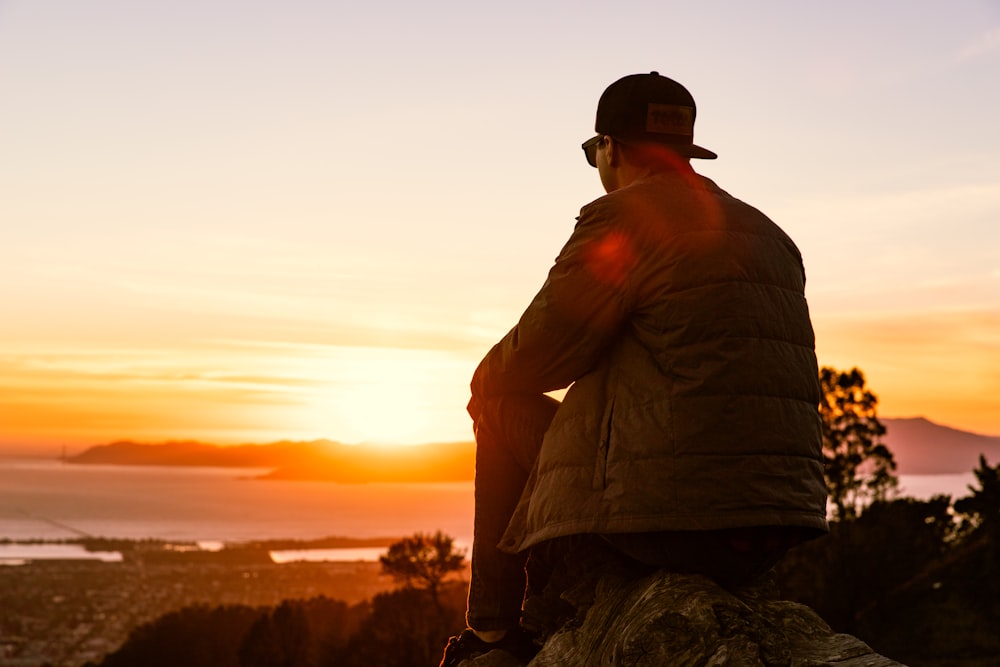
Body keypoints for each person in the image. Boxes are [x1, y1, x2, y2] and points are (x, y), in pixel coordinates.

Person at [439, 72, 829, 667]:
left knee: (494, 399)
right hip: (774, 527)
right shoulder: (772, 235)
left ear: (610, 148)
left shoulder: (623, 219)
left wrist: (482, 377)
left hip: (670, 524)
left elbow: (542, 353)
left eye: (592, 151)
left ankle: (493, 634)